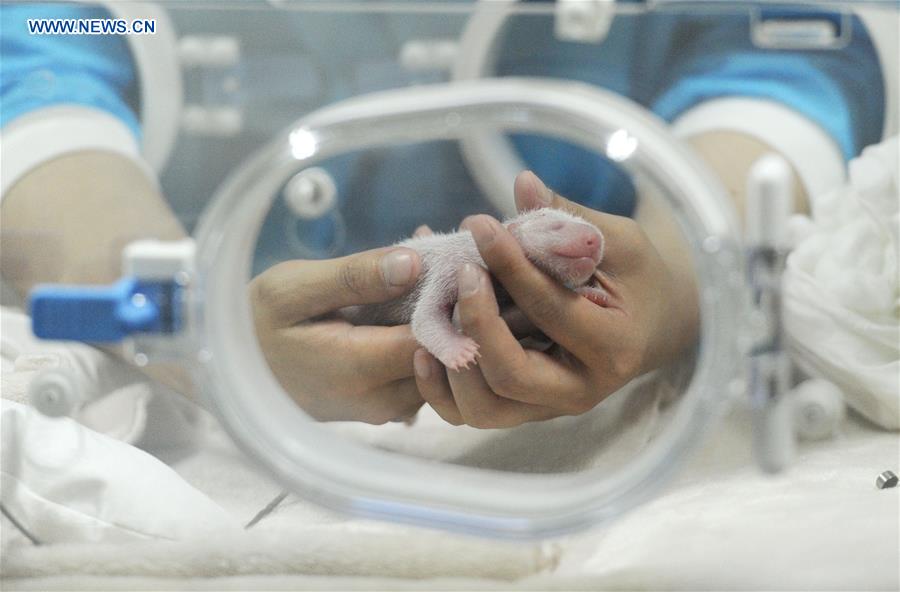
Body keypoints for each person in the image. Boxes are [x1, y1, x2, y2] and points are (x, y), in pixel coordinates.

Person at [0, 2, 887, 428]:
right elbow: (38, 79)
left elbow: (782, 68)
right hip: (197, 394)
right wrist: (197, 333)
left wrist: (681, 282)